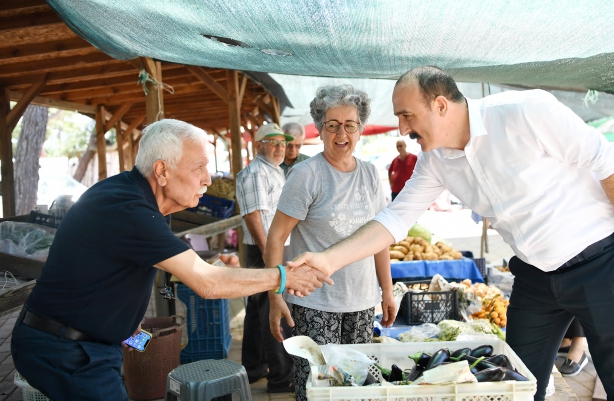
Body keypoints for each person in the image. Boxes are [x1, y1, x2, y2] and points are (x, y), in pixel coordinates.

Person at [288, 66, 614, 401]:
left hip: (600, 264)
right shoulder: (434, 161)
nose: (402, 128)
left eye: (406, 115)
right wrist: (327, 260)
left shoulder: (525, 111)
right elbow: (394, 220)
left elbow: (609, 161)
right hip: (534, 278)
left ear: (441, 105)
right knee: (509, 384)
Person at [11, 119, 331, 401]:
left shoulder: (141, 203)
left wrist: (211, 269)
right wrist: (285, 277)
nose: (207, 179)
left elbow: (173, 271)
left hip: (90, 342)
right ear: (162, 171)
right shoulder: (129, 210)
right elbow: (206, 284)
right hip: (65, 348)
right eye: (199, 168)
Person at [266, 85, 396, 401]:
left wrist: (387, 291)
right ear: (321, 129)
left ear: (360, 130)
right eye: (332, 124)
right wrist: (275, 296)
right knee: (319, 389)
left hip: (362, 303)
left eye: (349, 124)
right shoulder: (306, 174)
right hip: (315, 304)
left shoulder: (369, 174)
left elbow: (380, 238)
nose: (341, 133)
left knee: (357, 389)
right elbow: (276, 236)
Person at [235, 122, 296, 393]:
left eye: (282, 142)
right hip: (266, 250)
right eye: (272, 142)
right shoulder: (255, 173)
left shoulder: (272, 171)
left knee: (258, 310)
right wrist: (267, 253)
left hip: (269, 249)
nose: (279, 147)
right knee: (275, 309)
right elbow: (253, 215)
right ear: (258, 145)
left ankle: (254, 366)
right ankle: (281, 378)